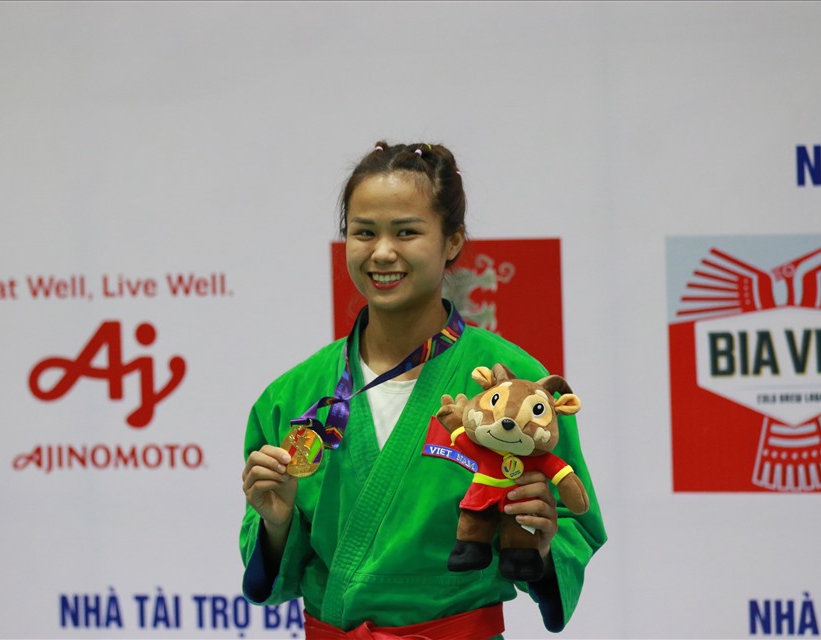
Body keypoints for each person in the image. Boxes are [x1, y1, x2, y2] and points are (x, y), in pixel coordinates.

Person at [240, 141, 606, 639]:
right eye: (363, 232)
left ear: (452, 241)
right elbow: (270, 571)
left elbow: (572, 523)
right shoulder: (293, 395)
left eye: (406, 232)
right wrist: (277, 523)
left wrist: (539, 545)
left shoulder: (514, 382)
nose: (382, 252)